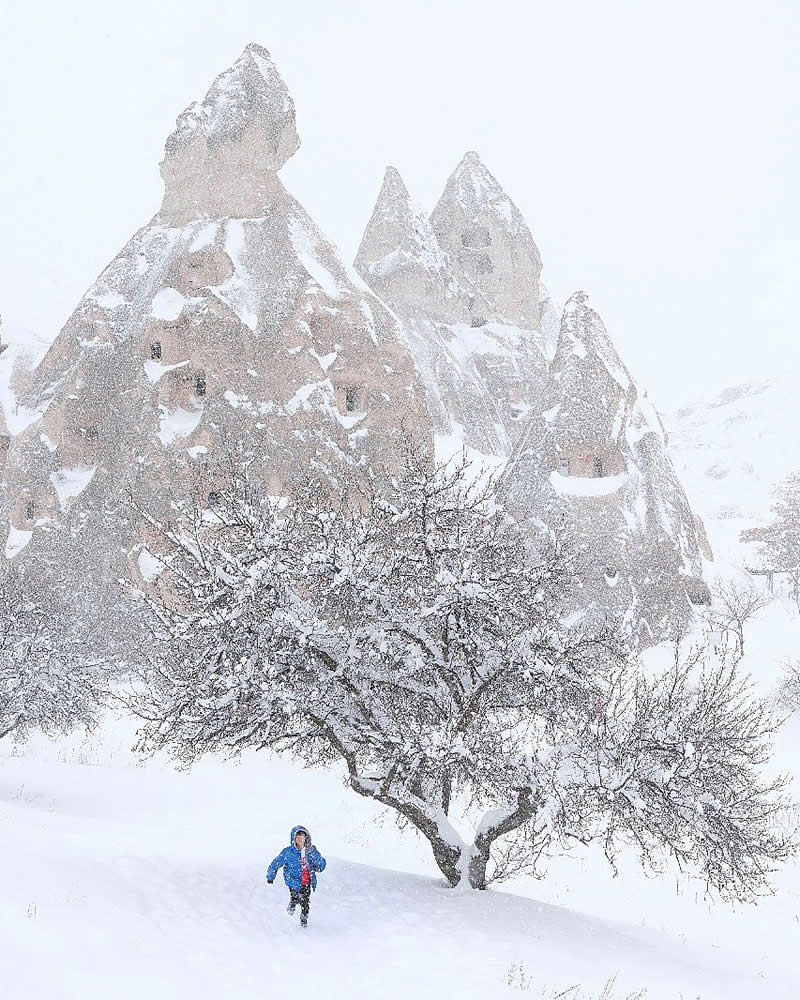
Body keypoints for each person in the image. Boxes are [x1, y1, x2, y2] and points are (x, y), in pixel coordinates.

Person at [266, 825, 326, 928]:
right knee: (296, 897)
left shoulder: (311, 850)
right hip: (293, 880)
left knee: (305, 903)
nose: (300, 839)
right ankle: (292, 904)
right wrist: (270, 876)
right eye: (297, 837)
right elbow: (276, 863)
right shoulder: (288, 852)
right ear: (294, 839)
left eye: (302, 837)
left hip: (307, 882)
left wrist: (313, 854)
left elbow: (321, 866)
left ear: (306, 838)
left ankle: (303, 922)